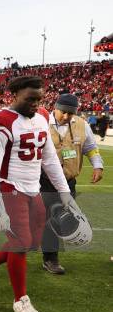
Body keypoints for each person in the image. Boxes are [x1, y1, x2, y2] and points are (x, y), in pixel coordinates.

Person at [0, 76, 77, 312]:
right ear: (14, 95)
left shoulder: (41, 119)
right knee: (21, 242)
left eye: (38, 99)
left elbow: (50, 160)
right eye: (29, 98)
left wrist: (64, 193)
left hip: (33, 188)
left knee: (30, 242)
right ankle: (20, 300)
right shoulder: (2, 121)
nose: (35, 103)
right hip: (10, 187)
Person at [40, 94, 104, 274]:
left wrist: (98, 166)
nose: (67, 116)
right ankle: (49, 257)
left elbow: (91, 148)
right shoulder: (42, 123)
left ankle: (50, 255)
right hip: (44, 181)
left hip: (68, 181)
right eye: (64, 112)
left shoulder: (82, 125)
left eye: (71, 113)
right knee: (49, 220)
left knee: (60, 219)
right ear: (55, 107)